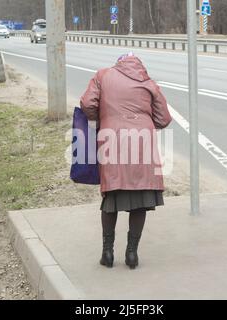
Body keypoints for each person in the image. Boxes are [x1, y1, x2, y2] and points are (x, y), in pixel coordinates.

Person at [80, 52, 172, 270]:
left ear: (119, 63)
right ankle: (132, 254)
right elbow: (164, 119)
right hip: (143, 143)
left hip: (112, 139)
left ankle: (107, 253)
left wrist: (99, 119)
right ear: (139, 66)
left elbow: (87, 102)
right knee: (141, 198)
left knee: (112, 196)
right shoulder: (149, 82)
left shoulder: (103, 75)